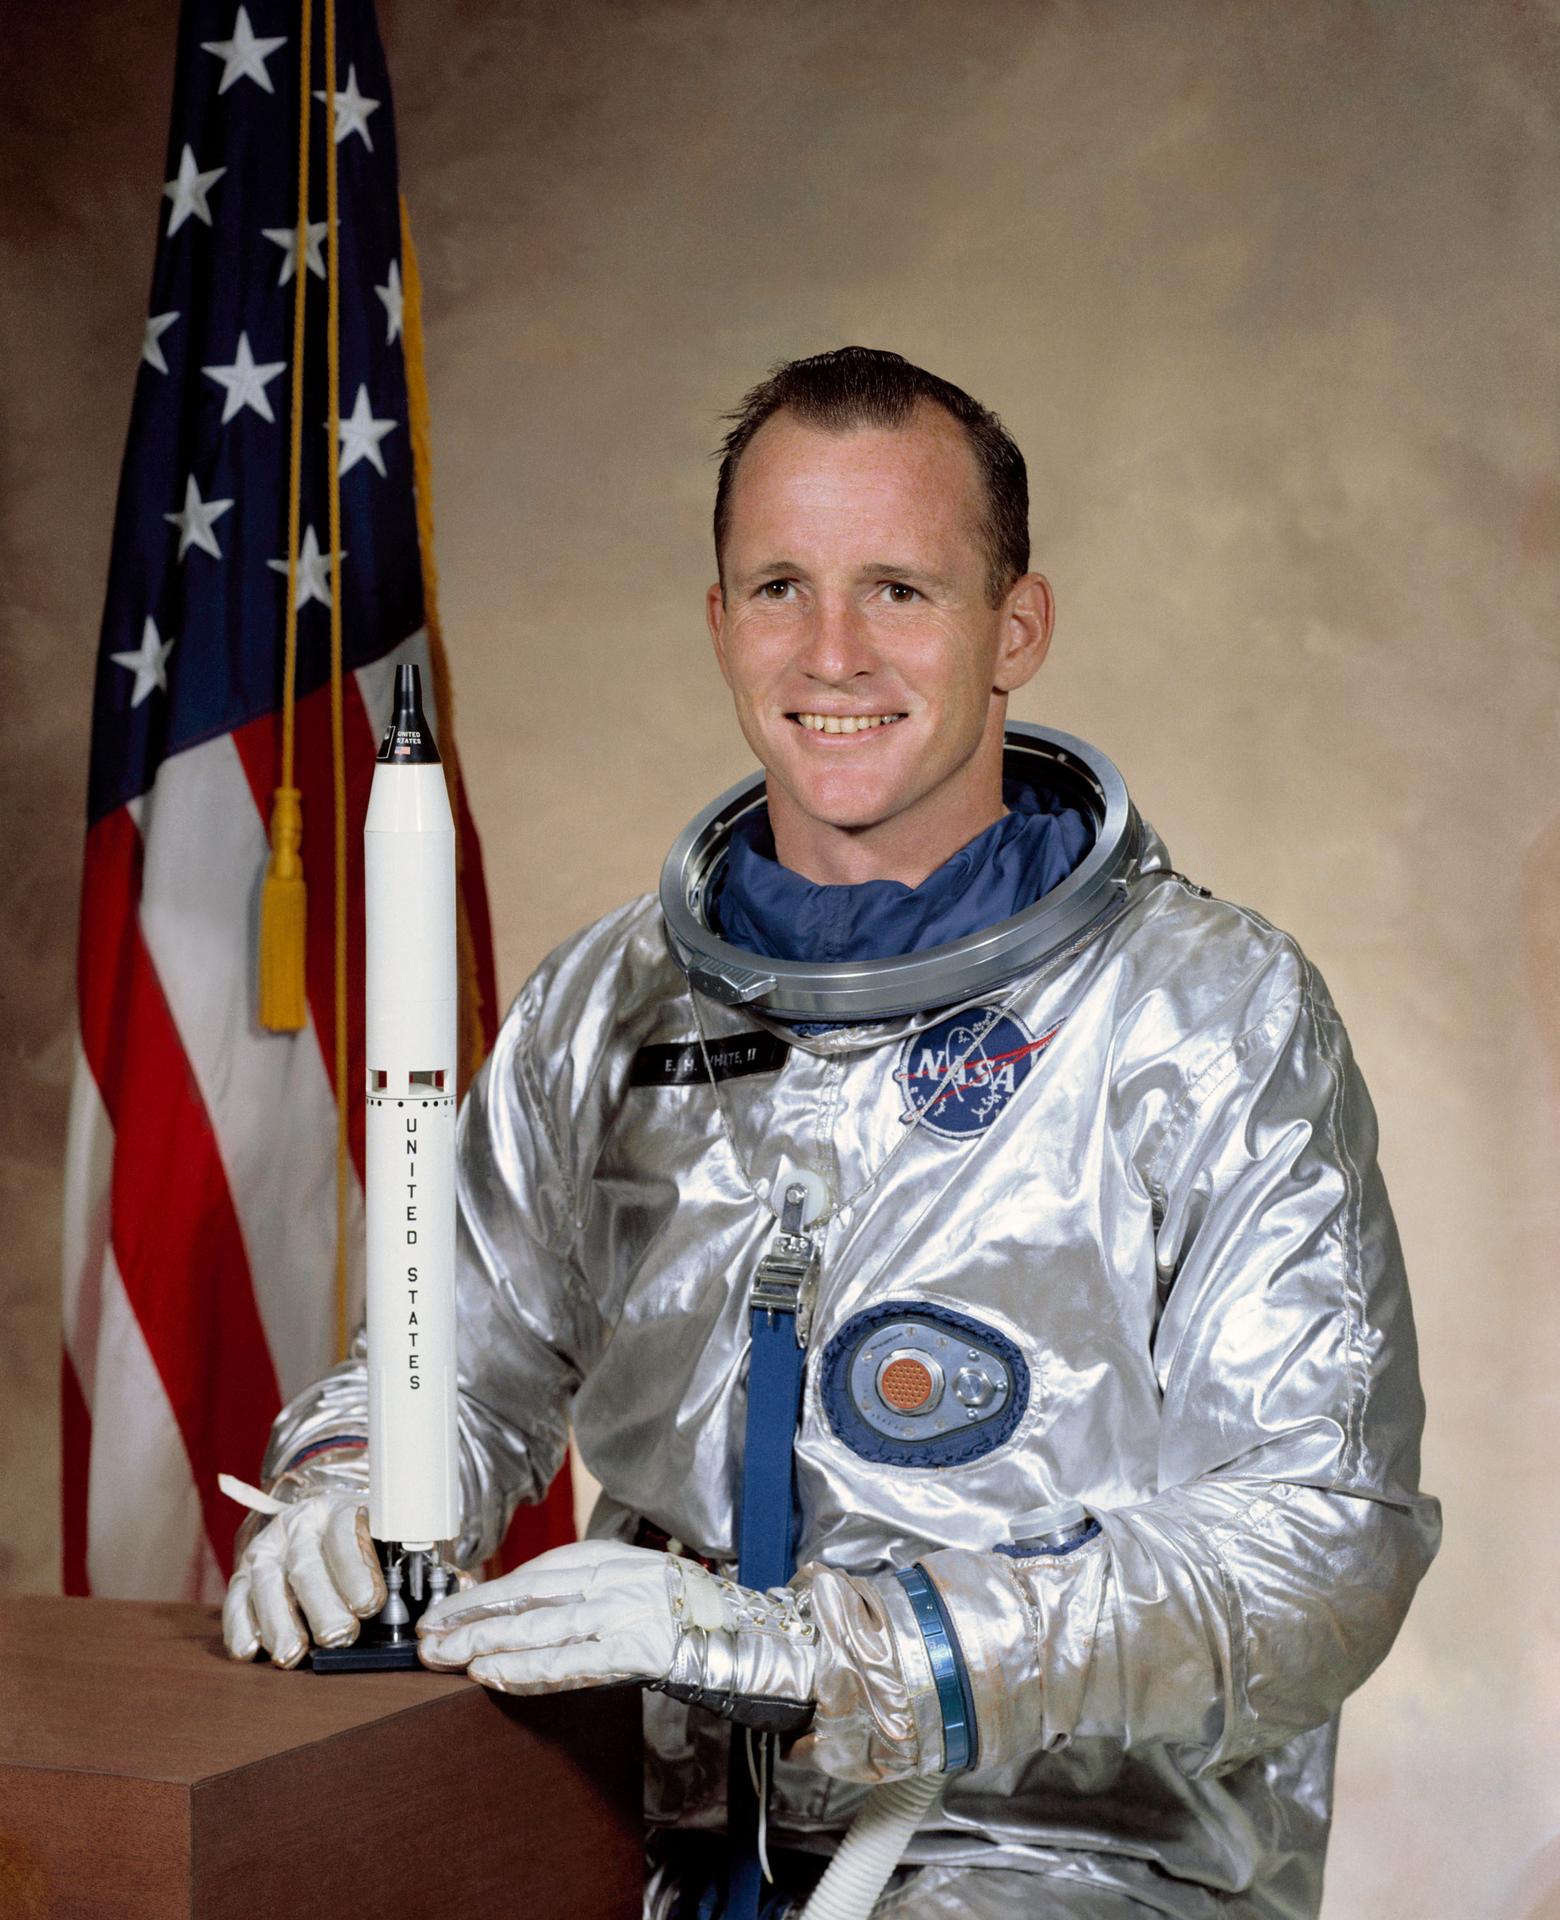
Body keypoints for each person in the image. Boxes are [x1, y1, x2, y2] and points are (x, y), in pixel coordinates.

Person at [223, 347, 1440, 1919]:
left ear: (1018, 628)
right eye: (781, 587)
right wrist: (345, 1482)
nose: (835, 650)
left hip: (1061, 1861)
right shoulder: (613, 1004)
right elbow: (457, 1356)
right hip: (645, 1838)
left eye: (901, 591)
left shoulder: (1203, 1017)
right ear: (719, 621)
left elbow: (1319, 1550)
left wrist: (823, 1653)